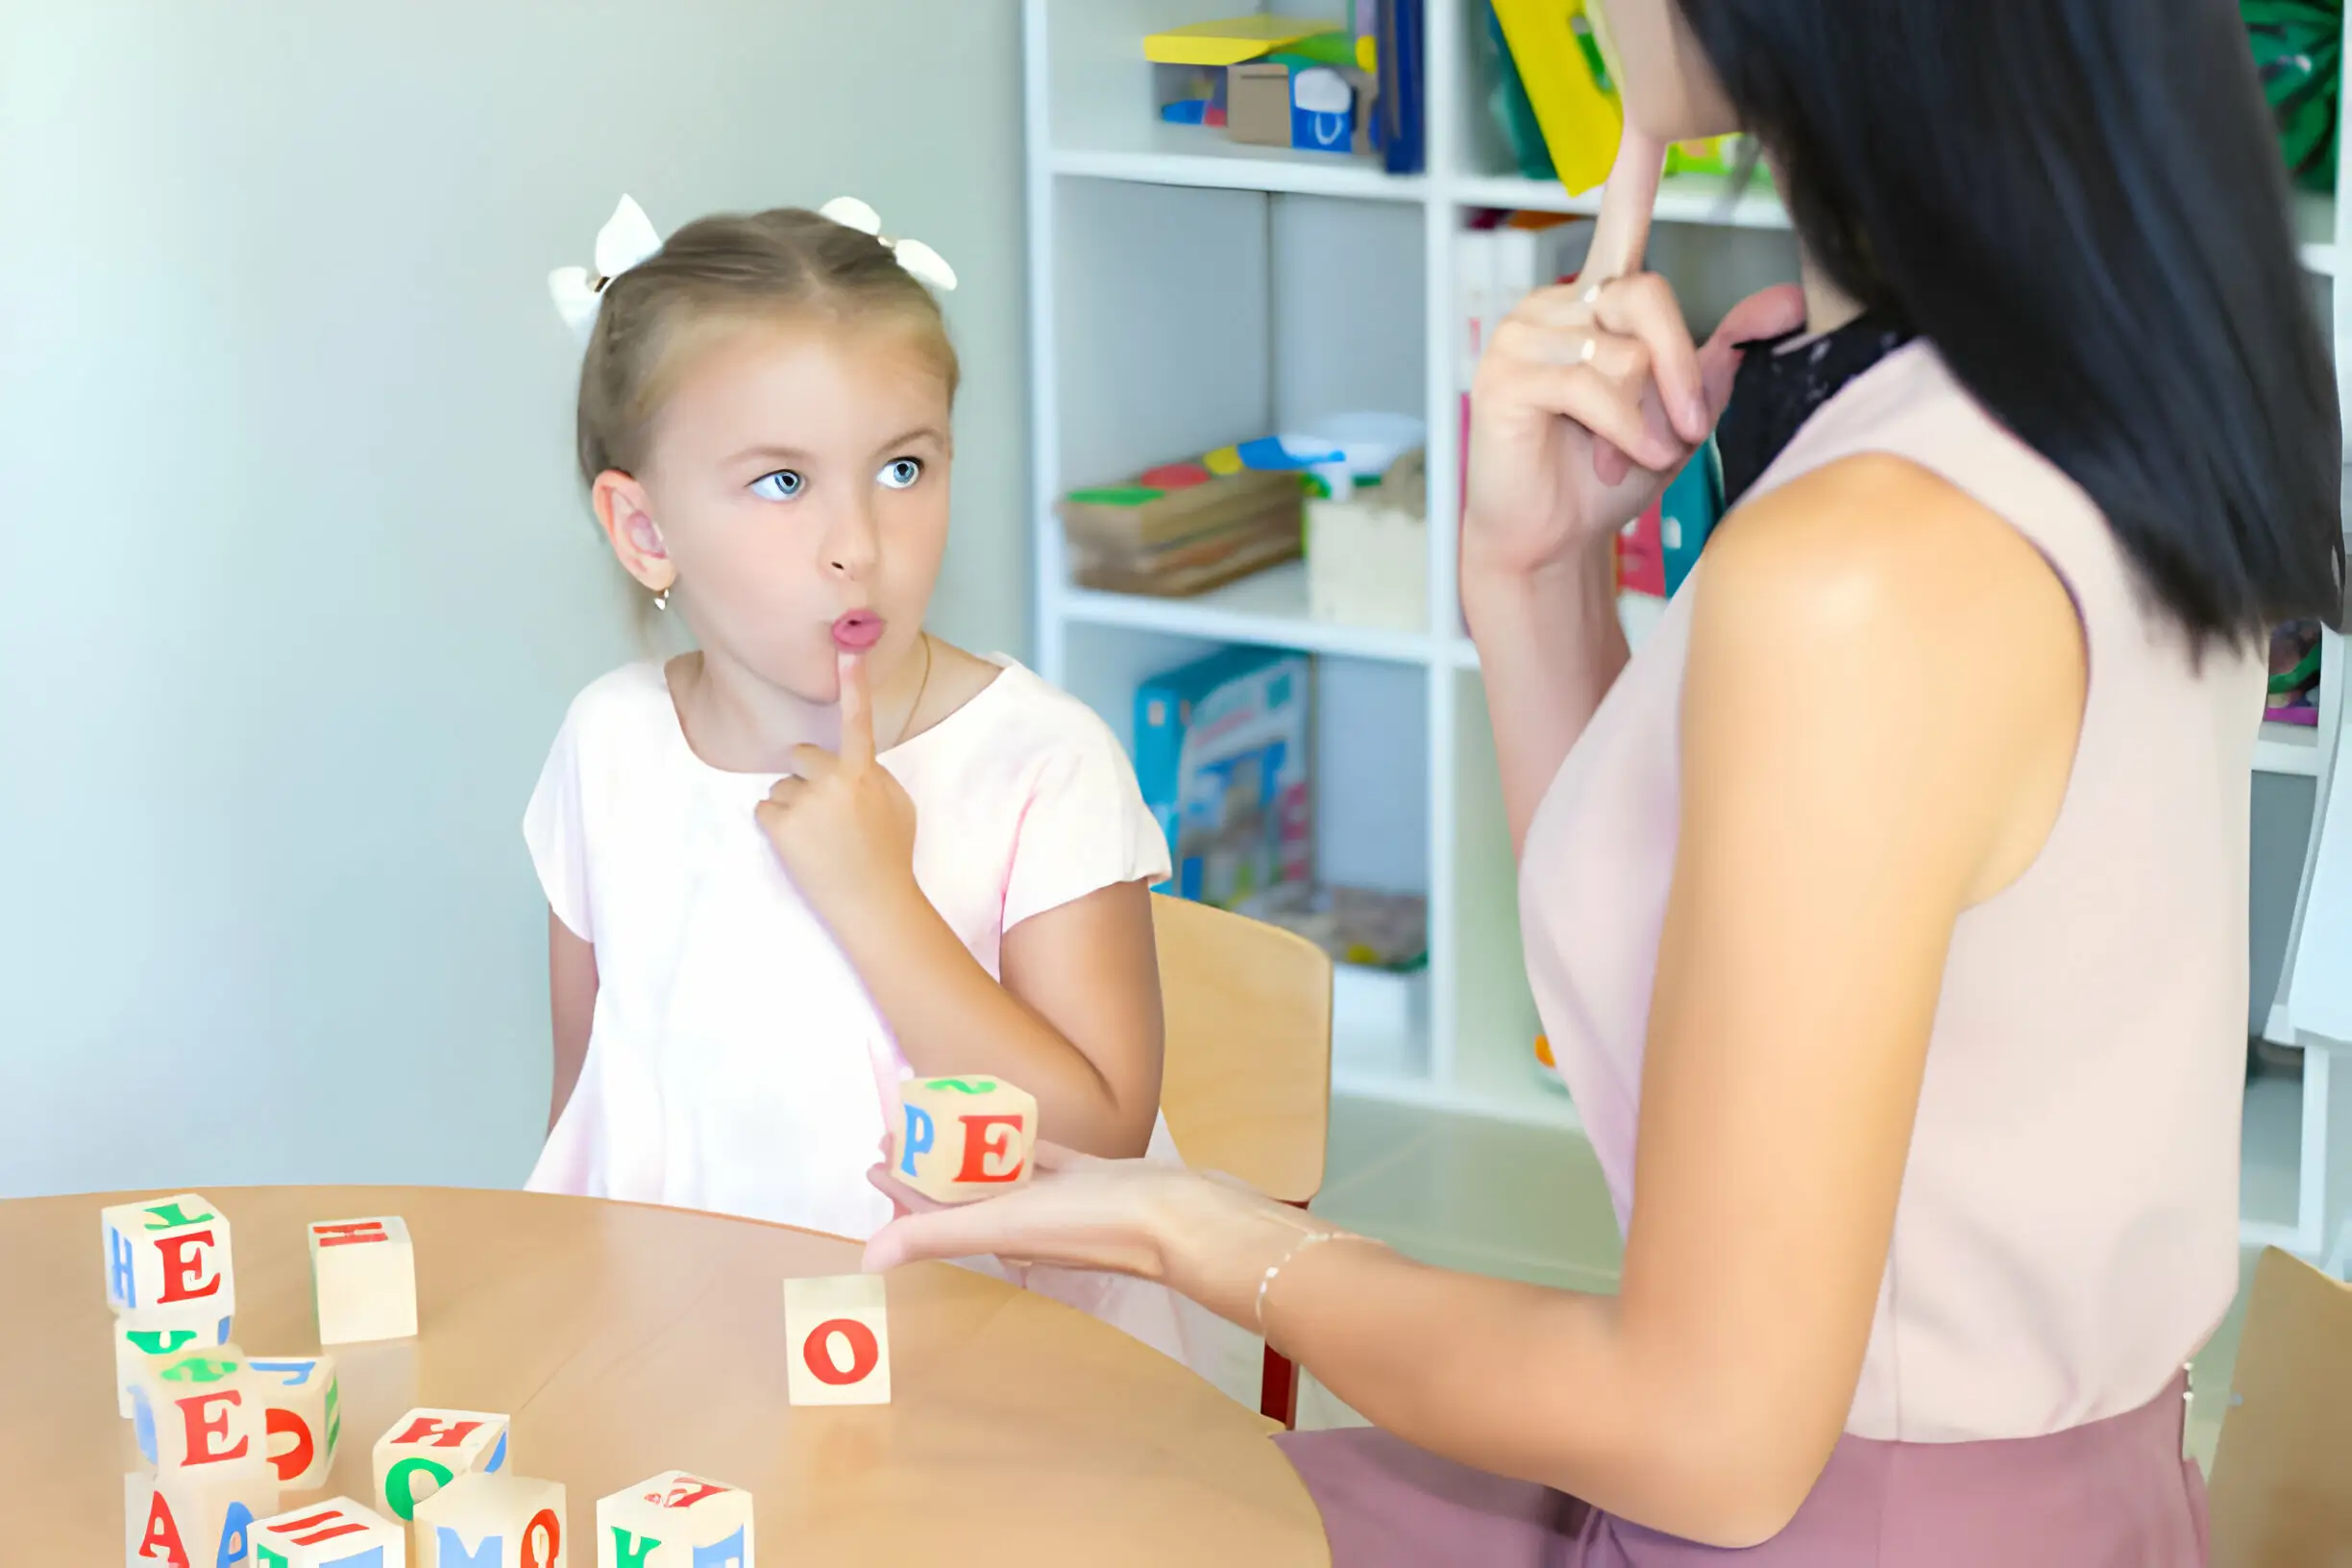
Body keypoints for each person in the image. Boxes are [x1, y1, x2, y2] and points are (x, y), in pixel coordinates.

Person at [863, 1, 2344, 1560]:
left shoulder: (1870, 569)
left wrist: (1197, 1229)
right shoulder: (2071, 390)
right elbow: (1675, 1062)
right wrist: (1535, 575)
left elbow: (1706, 1439)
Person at [522, 194, 1239, 1383]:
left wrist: (875, 898)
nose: (857, 541)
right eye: (781, 484)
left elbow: (1101, 1136)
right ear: (644, 528)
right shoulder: (610, 748)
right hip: (698, 1373)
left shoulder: (1041, 763)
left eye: (903, 467)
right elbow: (586, 1107)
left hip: (1000, 1387)